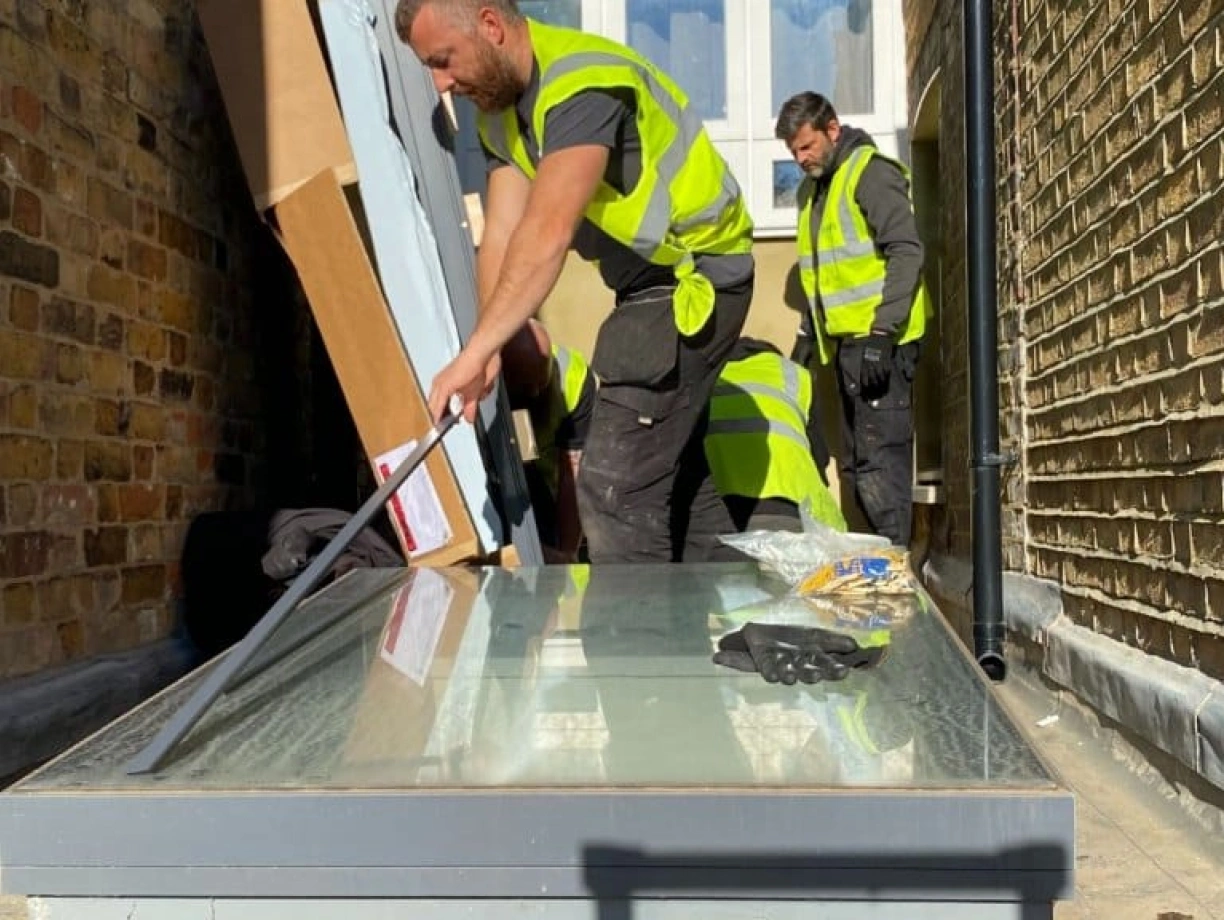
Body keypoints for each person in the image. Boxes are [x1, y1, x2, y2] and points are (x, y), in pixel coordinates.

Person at [397, 0, 755, 564]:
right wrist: (488, 347)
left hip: (699, 274)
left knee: (613, 489)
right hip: (645, 286)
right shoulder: (500, 113)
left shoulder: (581, 83)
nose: (441, 83)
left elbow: (546, 232)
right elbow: (504, 235)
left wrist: (481, 347)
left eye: (444, 60)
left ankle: (636, 648)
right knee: (676, 485)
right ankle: (730, 612)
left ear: (490, 26)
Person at [775, 91, 930, 547]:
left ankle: (897, 580)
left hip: (881, 345)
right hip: (845, 349)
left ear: (833, 130)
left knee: (881, 468)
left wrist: (884, 332)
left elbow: (906, 251)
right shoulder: (814, 192)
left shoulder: (869, 174)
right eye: (793, 151)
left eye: (807, 146)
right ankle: (874, 582)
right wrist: (808, 334)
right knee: (856, 470)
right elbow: (824, 275)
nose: (801, 158)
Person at [702, 337, 846, 537]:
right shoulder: (796, 375)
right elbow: (819, 457)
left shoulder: (705, 376)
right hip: (787, 506)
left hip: (715, 508)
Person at [500, 318, 595, 562]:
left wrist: (567, 555)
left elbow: (572, 474)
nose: (533, 392)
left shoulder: (573, 377)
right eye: (524, 386)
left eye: (540, 384)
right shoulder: (485, 383)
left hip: (548, 488)